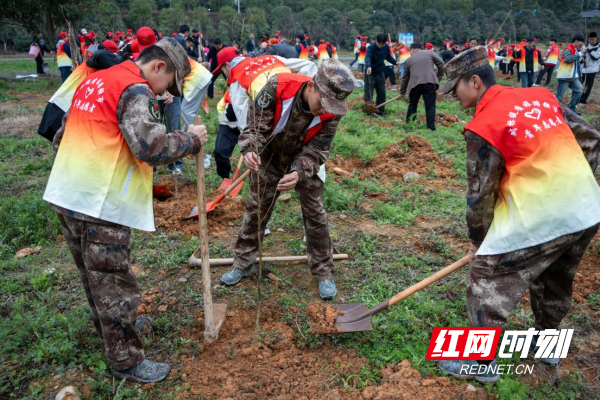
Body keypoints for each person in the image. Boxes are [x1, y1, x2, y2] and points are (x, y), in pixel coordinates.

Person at [43, 39, 207, 383]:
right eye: (171, 85)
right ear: (159, 67)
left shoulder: (97, 79)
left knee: (94, 275)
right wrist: (190, 138)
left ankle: (113, 329)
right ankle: (125, 359)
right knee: (115, 282)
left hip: (67, 191)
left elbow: (60, 137)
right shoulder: (135, 89)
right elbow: (152, 146)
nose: (168, 94)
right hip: (99, 202)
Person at [437, 45, 600, 383]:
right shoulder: (541, 96)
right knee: (555, 278)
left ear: (475, 82)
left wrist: (478, 242)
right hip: (587, 208)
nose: (452, 95)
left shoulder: (484, 125)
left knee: (486, 274)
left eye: (455, 88)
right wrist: (573, 181)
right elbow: (592, 140)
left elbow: (480, 196)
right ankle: (546, 346)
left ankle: (481, 364)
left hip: (545, 215)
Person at [218, 60, 355, 300]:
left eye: (331, 106)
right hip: (269, 157)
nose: (325, 110)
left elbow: (319, 150)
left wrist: (299, 172)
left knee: (315, 214)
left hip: (303, 161)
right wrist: (250, 150)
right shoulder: (278, 87)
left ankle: (323, 271)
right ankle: (243, 262)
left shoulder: (333, 110)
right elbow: (254, 127)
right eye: (322, 103)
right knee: (257, 209)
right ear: (311, 87)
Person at [211, 48, 317, 180]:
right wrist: (308, 92)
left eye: (222, 71)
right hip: (299, 107)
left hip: (273, 115)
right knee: (309, 147)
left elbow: (245, 122)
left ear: (227, 65)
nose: (225, 75)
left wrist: (250, 148)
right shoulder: (271, 58)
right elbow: (309, 65)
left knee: (270, 158)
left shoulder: (237, 79)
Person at [399, 42, 445, 130]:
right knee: (430, 106)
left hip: (415, 85)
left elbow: (405, 78)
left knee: (412, 105)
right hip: (429, 82)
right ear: (421, 48)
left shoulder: (409, 60)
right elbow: (442, 64)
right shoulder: (429, 53)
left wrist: (402, 92)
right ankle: (431, 128)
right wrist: (437, 78)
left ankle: (409, 126)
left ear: (412, 49)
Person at [365, 33, 398, 116]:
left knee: (381, 92)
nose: (380, 46)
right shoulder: (371, 48)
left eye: (382, 44)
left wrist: (395, 62)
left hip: (380, 72)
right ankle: (369, 112)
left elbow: (388, 57)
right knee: (369, 93)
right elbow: (368, 57)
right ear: (376, 41)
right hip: (371, 72)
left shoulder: (386, 47)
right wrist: (369, 66)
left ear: (385, 43)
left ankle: (380, 111)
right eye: (379, 44)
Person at [557, 34, 587, 114]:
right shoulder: (568, 49)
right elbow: (568, 59)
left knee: (580, 90)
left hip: (573, 76)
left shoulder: (575, 49)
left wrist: (581, 56)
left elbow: (575, 61)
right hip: (565, 76)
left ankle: (571, 107)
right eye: (580, 44)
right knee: (559, 96)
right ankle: (553, 109)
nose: (581, 46)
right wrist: (580, 53)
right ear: (576, 41)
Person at [580, 32, 600, 105]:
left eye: (593, 39)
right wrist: (582, 59)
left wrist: (589, 50)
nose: (591, 41)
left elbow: (595, 57)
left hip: (592, 70)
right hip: (583, 69)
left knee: (588, 86)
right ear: (588, 39)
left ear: (596, 39)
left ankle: (583, 100)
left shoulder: (599, 47)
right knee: (579, 84)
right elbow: (580, 54)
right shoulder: (585, 45)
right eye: (590, 39)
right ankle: (576, 98)